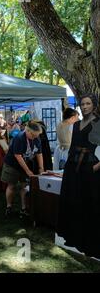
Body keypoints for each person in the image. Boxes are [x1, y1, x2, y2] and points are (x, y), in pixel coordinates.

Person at [57, 94, 100, 259]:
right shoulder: (75, 125)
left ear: (93, 105)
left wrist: (95, 167)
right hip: (73, 168)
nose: (85, 106)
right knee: (74, 202)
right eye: (82, 104)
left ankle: (89, 243)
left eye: (88, 103)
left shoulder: (98, 123)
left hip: (90, 169)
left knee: (89, 205)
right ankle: (75, 238)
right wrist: (69, 168)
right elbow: (73, 146)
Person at [1, 121, 44, 218]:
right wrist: (28, 171)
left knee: (24, 186)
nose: (35, 137)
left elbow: (39, 153)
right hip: (12, 164)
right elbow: (18, 156)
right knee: (11, 185)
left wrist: (41, 168)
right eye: (33, 135)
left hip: (25, 164)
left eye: (36, 135)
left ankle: (24, 208)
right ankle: (9, 207)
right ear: (27, 131)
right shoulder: (19, 138)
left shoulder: (36, 138)